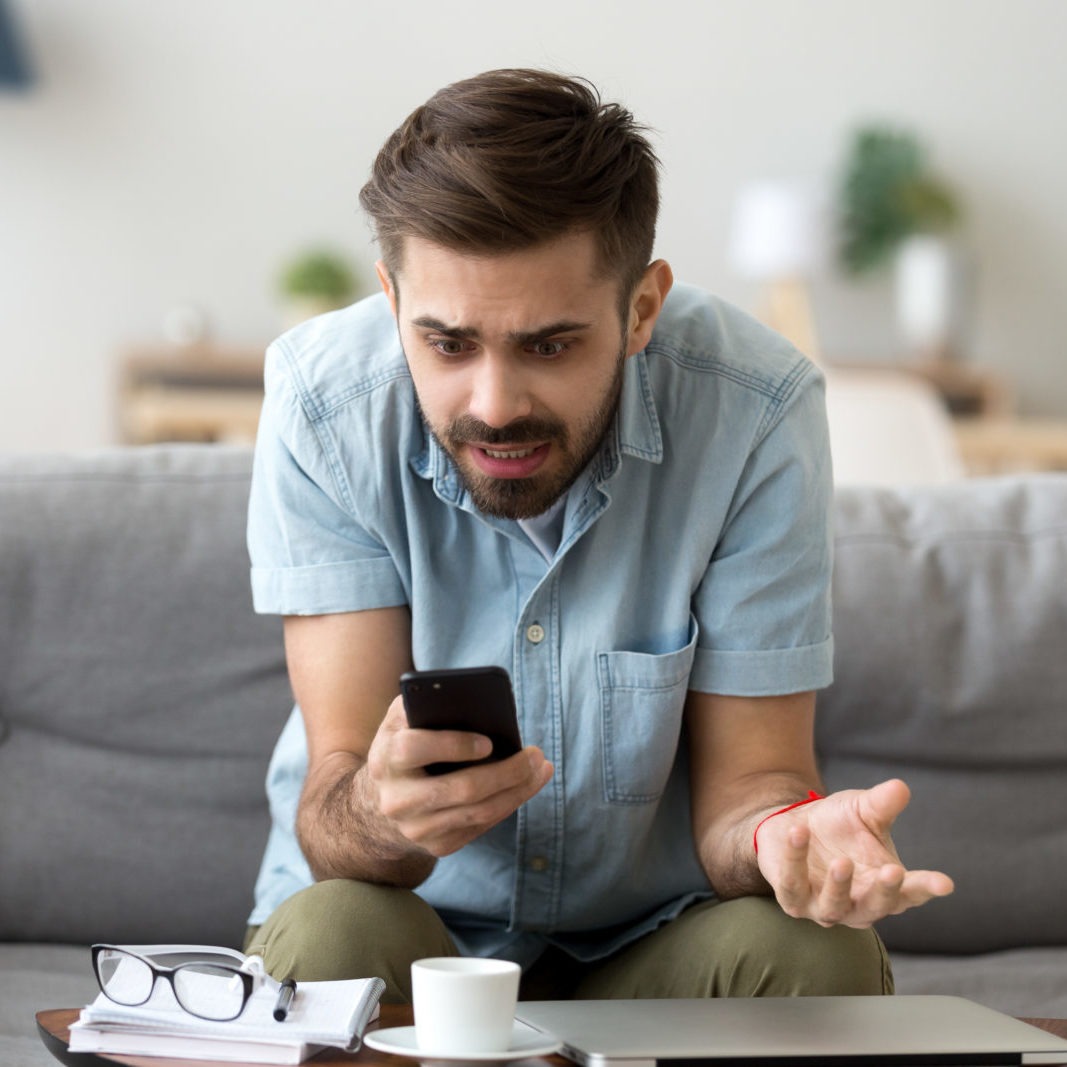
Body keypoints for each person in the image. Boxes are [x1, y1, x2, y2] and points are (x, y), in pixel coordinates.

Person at [243, 68, 953, 1003]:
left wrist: (783, 838)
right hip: (409, 928)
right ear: (390, 299)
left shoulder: (755, 411)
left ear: (641, 309)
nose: (492, 406)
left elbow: (756, 781)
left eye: (548, 344)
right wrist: (381, 811)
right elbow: (331, 807)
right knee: (336, 926)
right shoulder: (322, 406)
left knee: (816, 955)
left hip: (653, 940)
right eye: (448, 343)